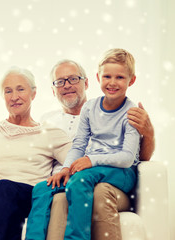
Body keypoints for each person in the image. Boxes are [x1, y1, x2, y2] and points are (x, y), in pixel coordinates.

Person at [26, 48, 144, 240]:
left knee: (80, 180)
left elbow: (127, 158)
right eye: (107, 76)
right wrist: (65, 168)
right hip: (91, 170)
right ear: (98, 78)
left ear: (131, 80)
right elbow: (79, 144)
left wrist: (91, 160)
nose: (112, 82)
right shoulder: (90, 107)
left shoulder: (130, 112)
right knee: (42, 188)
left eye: (120, 77)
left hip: (121, 172)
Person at [0, 67, 72, 240]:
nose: (14, 97)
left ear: (33, 93)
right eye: (8, 91)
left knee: (3, 187)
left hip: (31, 195)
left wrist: (65, 171)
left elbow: (77, 161)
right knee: (2, 192)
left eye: (20, 89)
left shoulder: (50, 132)